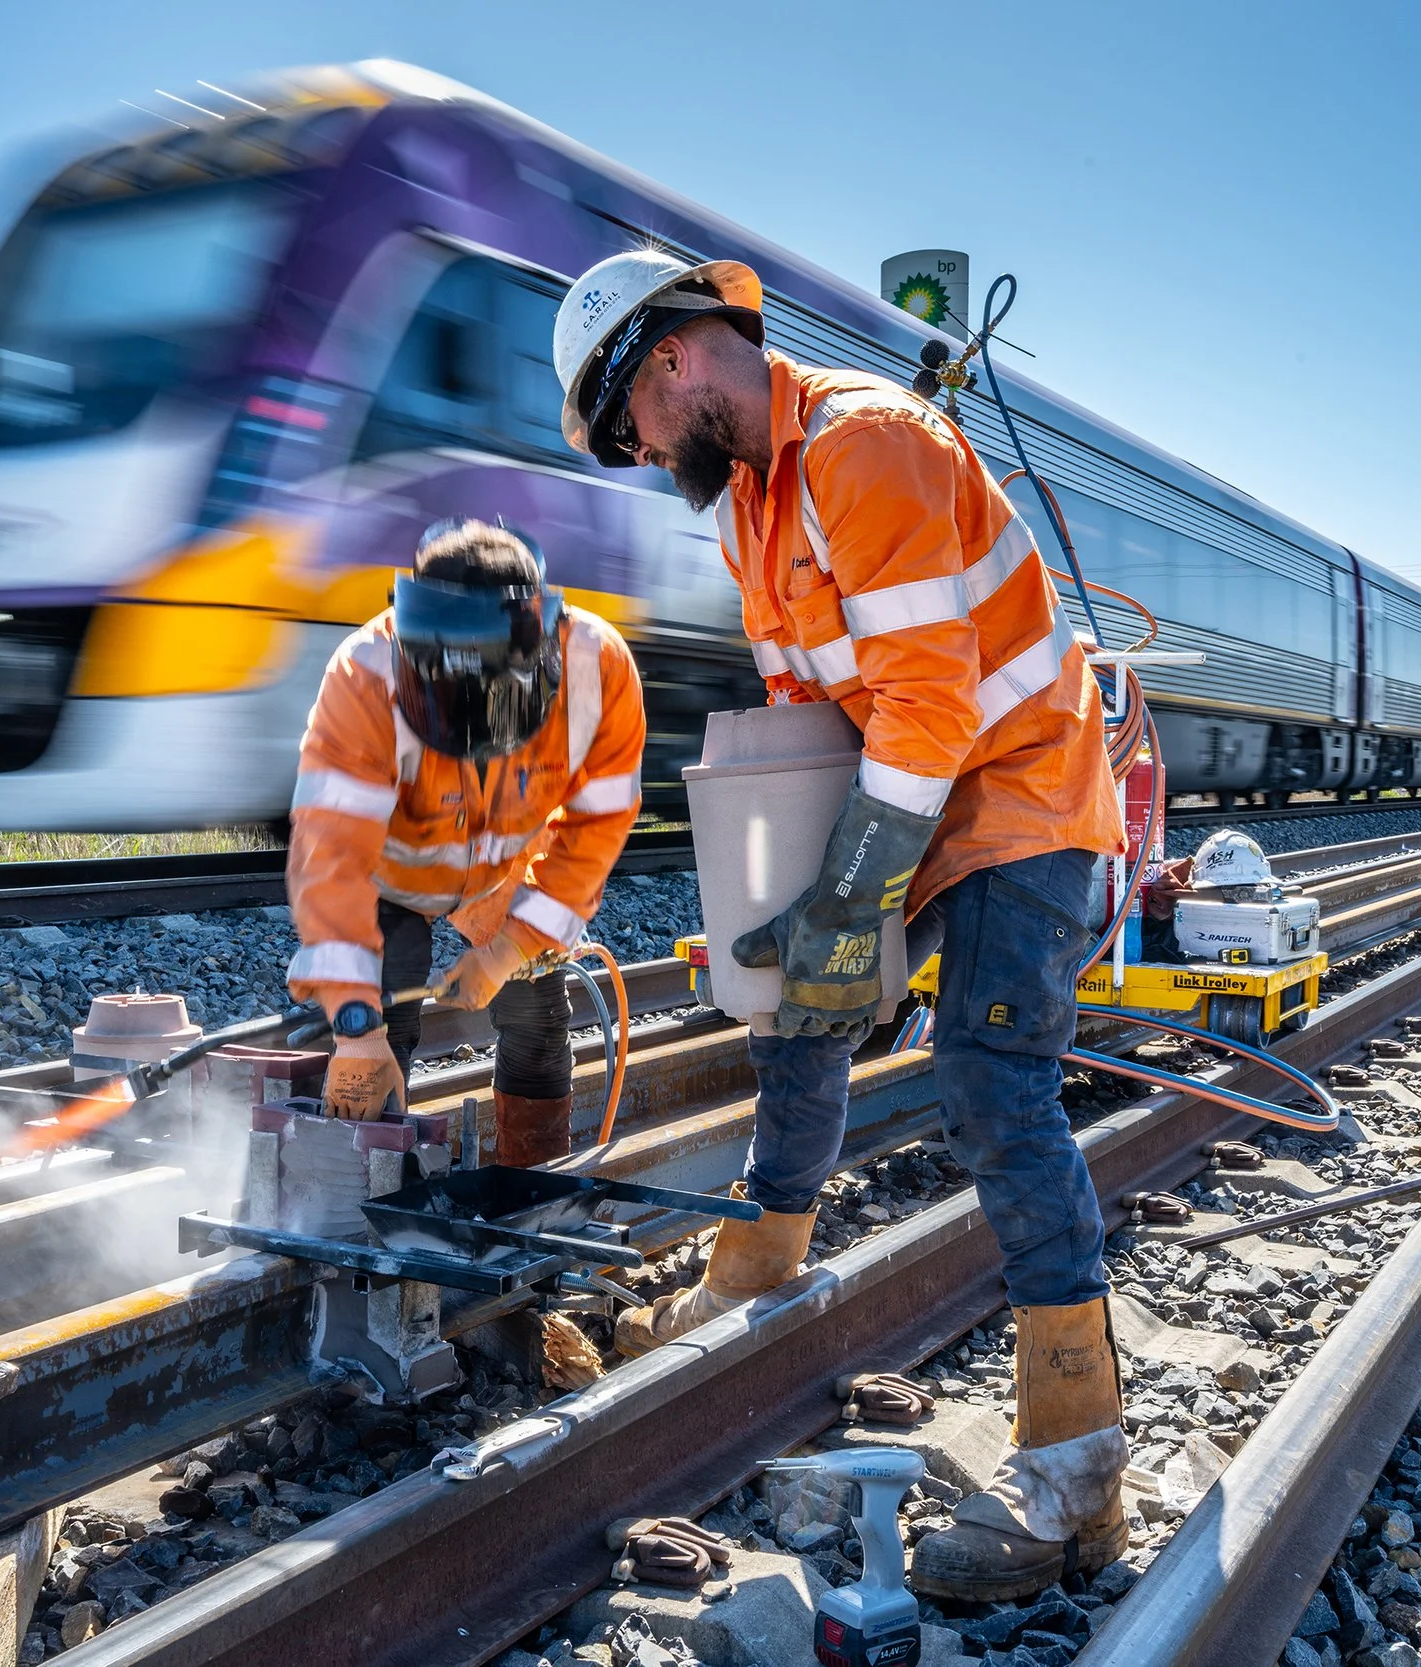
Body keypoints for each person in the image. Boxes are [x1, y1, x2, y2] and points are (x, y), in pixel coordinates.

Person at [552, 251, 1129, 1599]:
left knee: (993, 1084)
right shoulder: (754, 507)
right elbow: (820, 723)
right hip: (916, 808)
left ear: (674, 357)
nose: (636, 453)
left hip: (1022, 807)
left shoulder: (868, 446)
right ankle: (749, 1277)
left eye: (625, 421)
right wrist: (785, 906)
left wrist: (850, 888)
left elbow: (932, 705)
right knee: (793, 1014)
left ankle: (1076, 1464)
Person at [284, 519, 647, 1163]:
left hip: (504, 871)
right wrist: (353, 1024)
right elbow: (330, 857)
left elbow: (595, 831)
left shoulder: (597, 669)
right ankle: (353, 1190)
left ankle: (529, 1188)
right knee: (374, 1038)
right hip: (388, 876)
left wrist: (510, 949)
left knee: (537, 1024)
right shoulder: (364, 676)